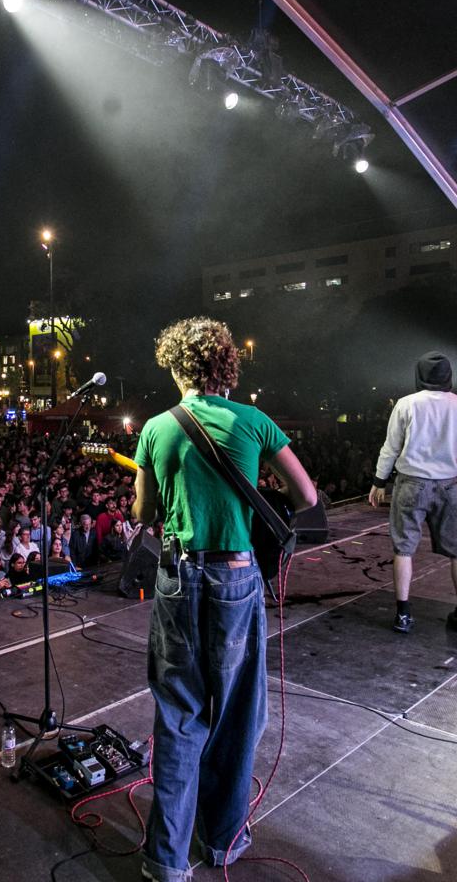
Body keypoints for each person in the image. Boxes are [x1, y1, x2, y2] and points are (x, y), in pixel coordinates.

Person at [132, 316, 317, 882]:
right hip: (236, 576)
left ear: (175, 367)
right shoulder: (254, 422)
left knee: (178, 714)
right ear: (228, 367)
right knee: (237, 713)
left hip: (177, 574)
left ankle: (166, 860)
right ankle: (223, 842)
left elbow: (143, 512)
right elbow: (307, 496)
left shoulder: (157, 428)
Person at [367, 352, 457, 635]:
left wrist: (379, 482)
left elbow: (391, 446)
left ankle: (403, 614)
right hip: (449, 484)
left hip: (412, 482)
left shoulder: (406, 403)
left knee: (404, 549)